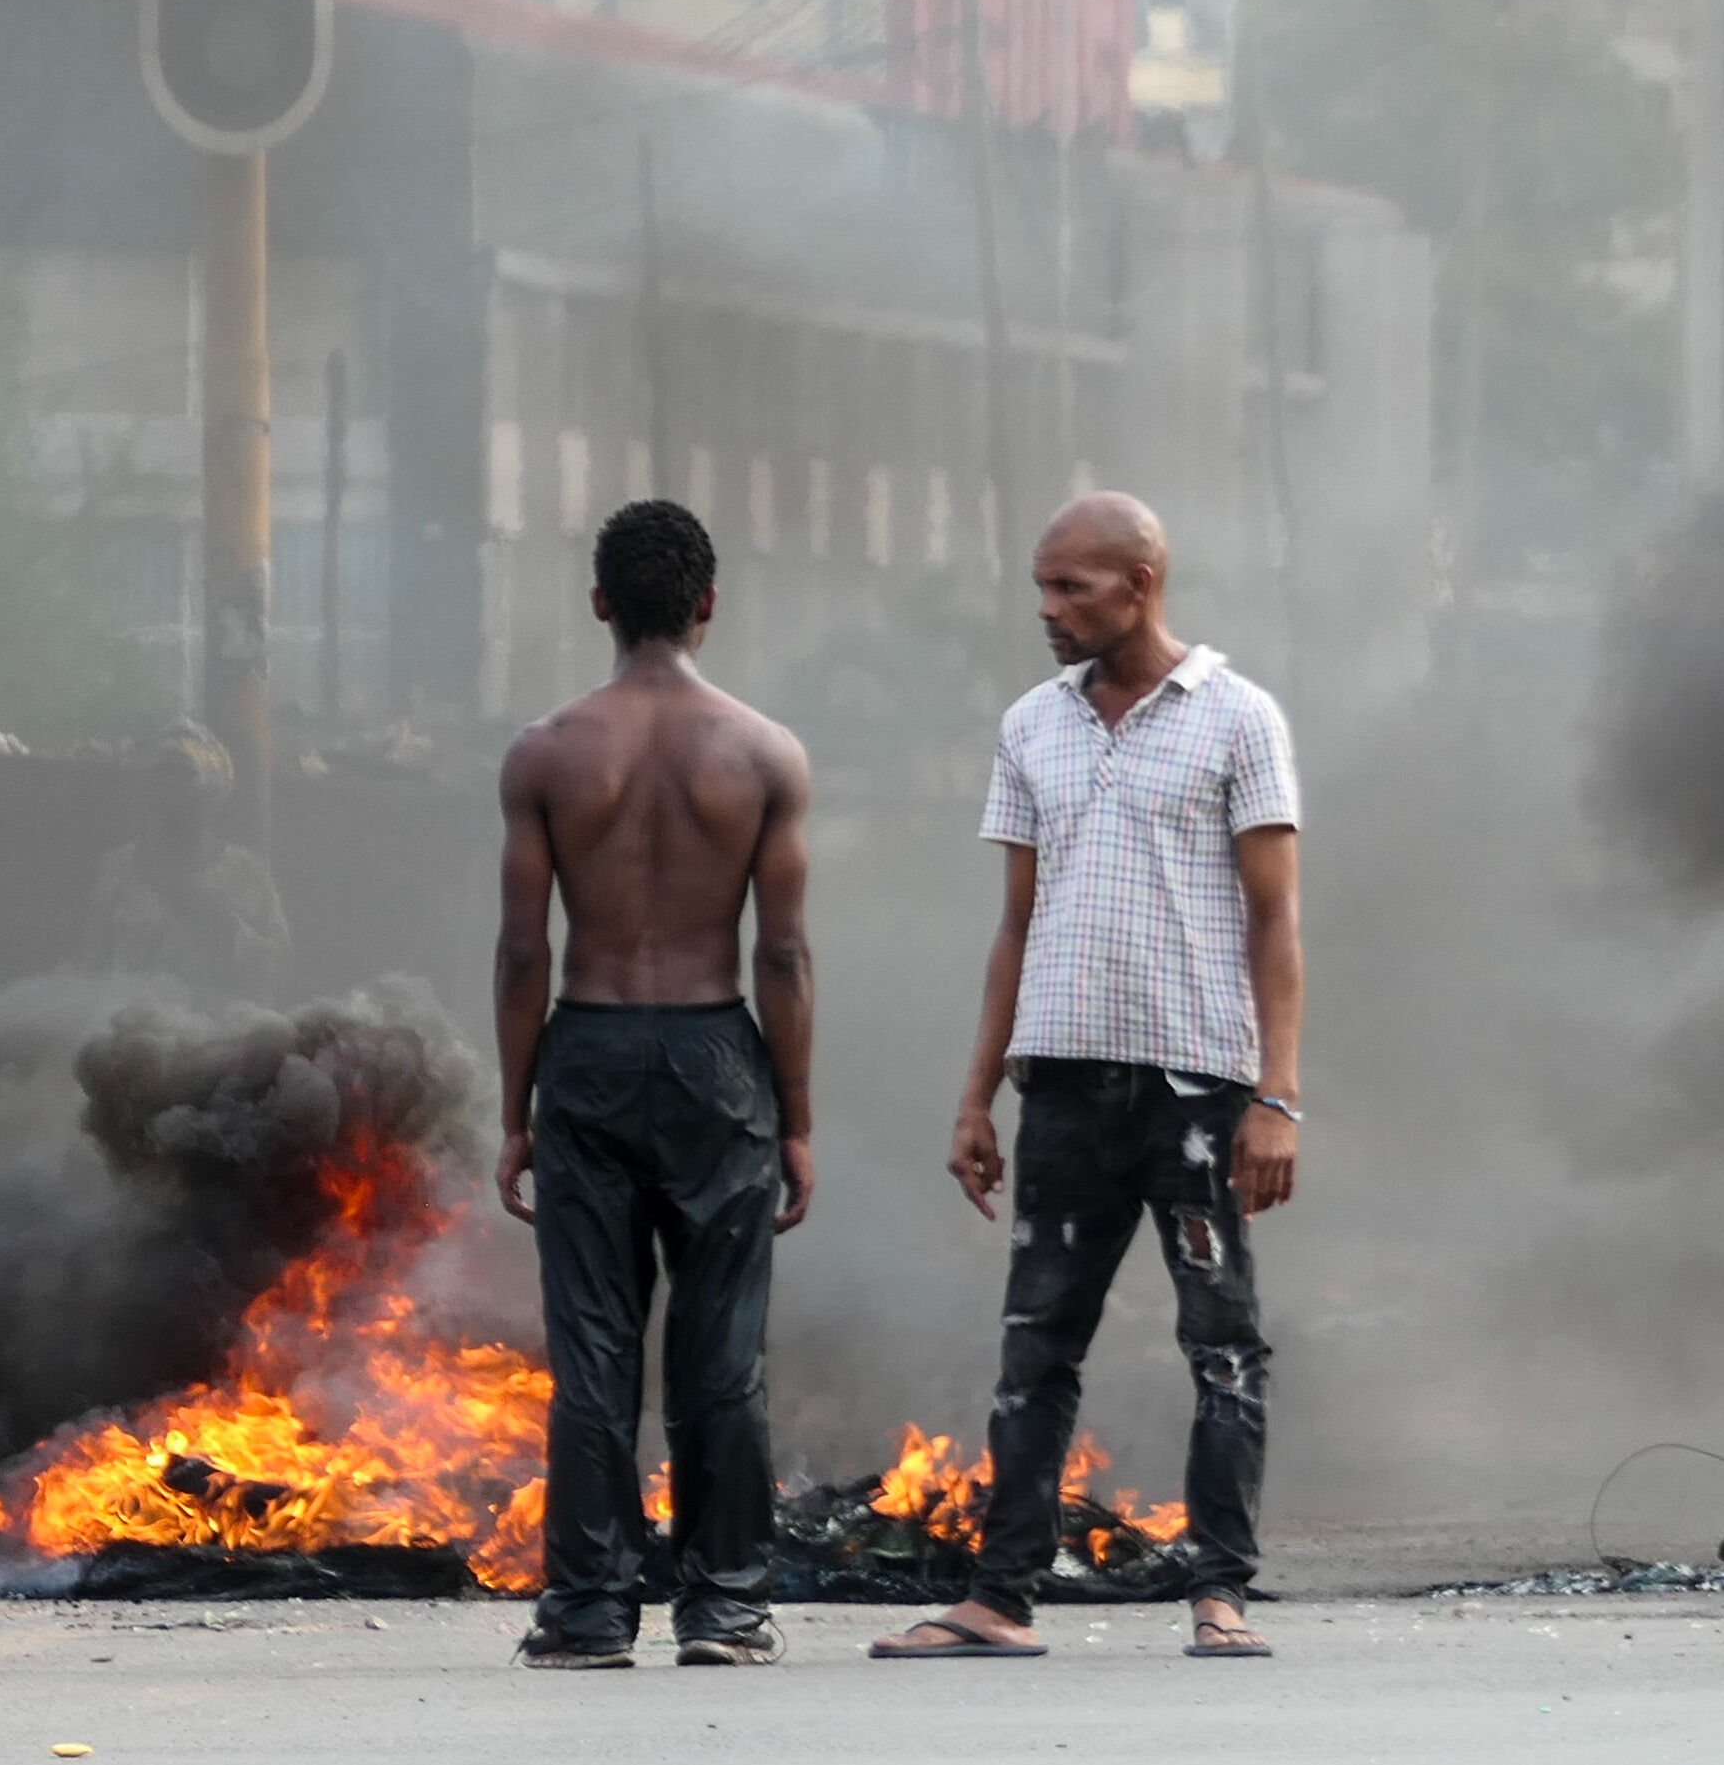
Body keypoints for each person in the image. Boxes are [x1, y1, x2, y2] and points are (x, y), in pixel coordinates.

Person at [872, 491, 1301, 1664]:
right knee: (1035, 1344)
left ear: (1142, 584)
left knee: (1220, 1344)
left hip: (1197, 1097)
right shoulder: (1033, 726)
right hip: (1059, 1088)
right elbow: (1015, 925)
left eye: (1073, 588)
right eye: (1041, 587)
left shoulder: (1237, 718)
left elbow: (1276, 921)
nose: (1049, 611)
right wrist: (978, 1093)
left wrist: (1276, 1097)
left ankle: (1222, 1592)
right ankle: (999, 1599)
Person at [493, 497, 815, 1669]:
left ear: (599, 606)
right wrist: (797, 1118)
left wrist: (515, 1108)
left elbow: (523, 948)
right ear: (708, 607)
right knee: (721, 1350)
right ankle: (725, 1610)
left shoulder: (546, 751)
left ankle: (586, 1611)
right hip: (715, 1056)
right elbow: (781, 953)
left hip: (585, 1050)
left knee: (592, 1350)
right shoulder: (764, 753)